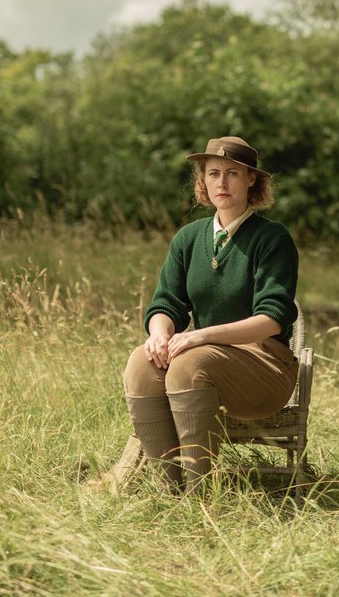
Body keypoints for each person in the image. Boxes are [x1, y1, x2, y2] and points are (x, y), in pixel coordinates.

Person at [121, 136, 299, 492]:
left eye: (233, 173)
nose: (222, 182)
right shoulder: (188, 239)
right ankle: (168, 491)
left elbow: (273, 318)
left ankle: (199, 494)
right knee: (141, 363)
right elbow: (165, 304)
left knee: (190, 362)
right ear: (202, 181)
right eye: (213, 173)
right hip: (207, 359)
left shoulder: (272, 238)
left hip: (265, 365)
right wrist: (159, 333)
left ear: (252, 180)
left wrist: (200, 335)